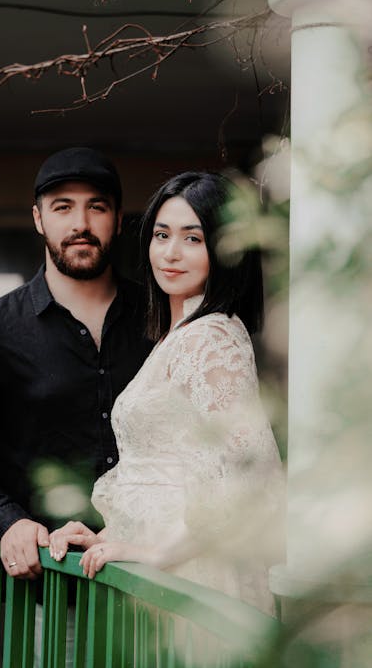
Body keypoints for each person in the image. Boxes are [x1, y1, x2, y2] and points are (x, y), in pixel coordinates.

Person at [49, 171, 285, 614]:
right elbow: (170, 473)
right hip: (164, 570)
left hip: (191, 574)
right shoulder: (178, 334)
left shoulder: (212, 337)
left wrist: (158, 554)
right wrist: (105, 535)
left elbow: (246, 472)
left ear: (225, 249)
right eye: (161, 235)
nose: (171, 253)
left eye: (193, 239)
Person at [0, 146, 152, 578]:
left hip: (151, 578)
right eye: (62, 207)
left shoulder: (162, 320)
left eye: (96, 207)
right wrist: (6, 519)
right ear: (38, 218)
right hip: (48, 583)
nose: (80, 224)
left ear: (119, 219)